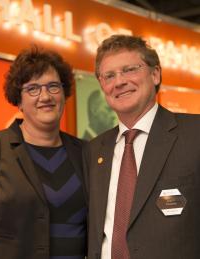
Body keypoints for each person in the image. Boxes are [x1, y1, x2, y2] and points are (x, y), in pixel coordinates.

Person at [83, 34, 200, 259]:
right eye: (109, 76)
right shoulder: (94, 150)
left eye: (129, 70)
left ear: (155, 74)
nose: (119, 82)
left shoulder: (194, 134)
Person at [0, 46, 87, 259]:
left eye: (53, 86)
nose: (45, 96)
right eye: (33, 88)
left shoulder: (85, 153)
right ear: (19, 99)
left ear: (64, 92)